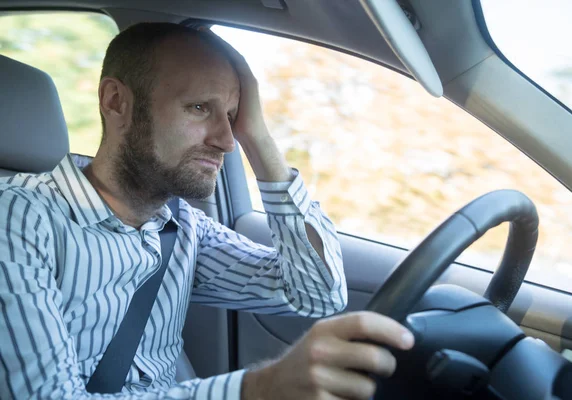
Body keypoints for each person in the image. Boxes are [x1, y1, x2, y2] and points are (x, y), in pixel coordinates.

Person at [0, 22, 414, 399]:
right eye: (199, 107)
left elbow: (318, 294)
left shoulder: (182, 229)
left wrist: (260, 140)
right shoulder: (18, 219)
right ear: (116, 102)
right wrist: (261, 387)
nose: (227, 140)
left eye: (233, 116)